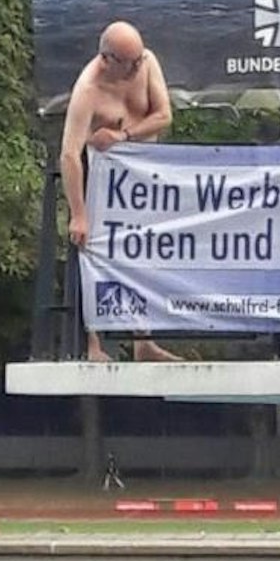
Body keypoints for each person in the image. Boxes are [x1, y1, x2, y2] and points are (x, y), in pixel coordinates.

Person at [59, 21, 181, 363]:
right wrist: (78, 213)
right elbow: (69, 153)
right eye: (130, 63)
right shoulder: (88, 90)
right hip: (104, 183)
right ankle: (94, 343)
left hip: (141, 176)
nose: (137, 68)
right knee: (94, 251)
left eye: (139, 60)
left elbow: (164, 115)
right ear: (107, 59)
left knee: (144, 253)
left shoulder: (147, 63)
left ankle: (144, 340)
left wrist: (123, 136)